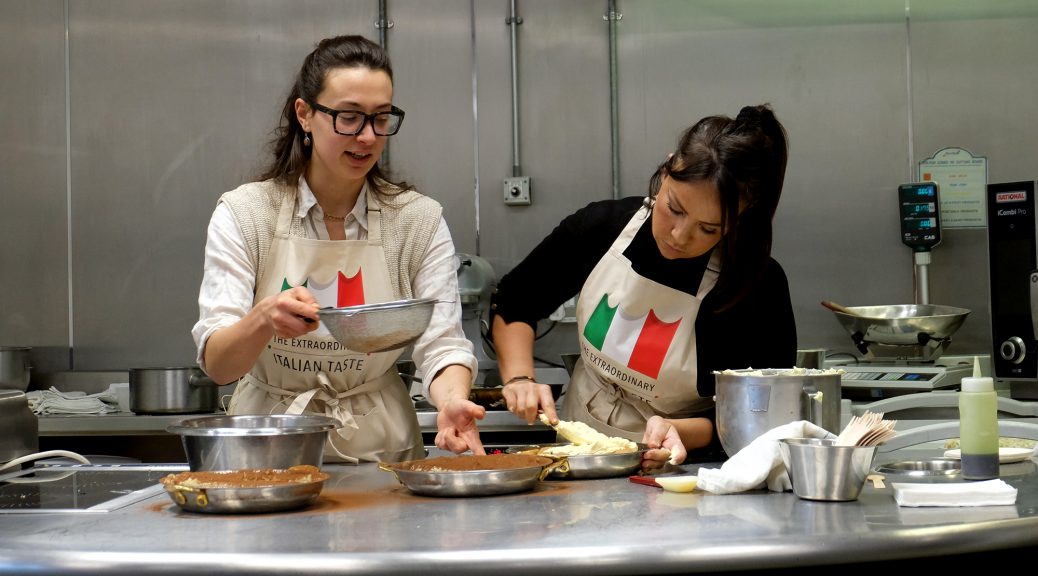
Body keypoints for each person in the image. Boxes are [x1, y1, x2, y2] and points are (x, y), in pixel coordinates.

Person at [191, 35, 486, 464]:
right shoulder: (245, 213)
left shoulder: (417, 220)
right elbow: (219, 366)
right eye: (349, 117)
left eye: (381, 118)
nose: (367, 137)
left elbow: (442, 345)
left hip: (380, 453)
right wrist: (262, 320)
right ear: (305, 114)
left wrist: (452, 399)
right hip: (268, 447)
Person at [490, 104, 796, 470]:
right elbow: (515, 303)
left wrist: (682, 431)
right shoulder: (602, 227)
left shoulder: (757, 287)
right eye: (675, 208)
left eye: (709, 229)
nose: (681, 236)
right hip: (575, 461)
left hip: (681, 475)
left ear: (740, 219)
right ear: (666, 170)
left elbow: (766, 415)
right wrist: (520, 378)